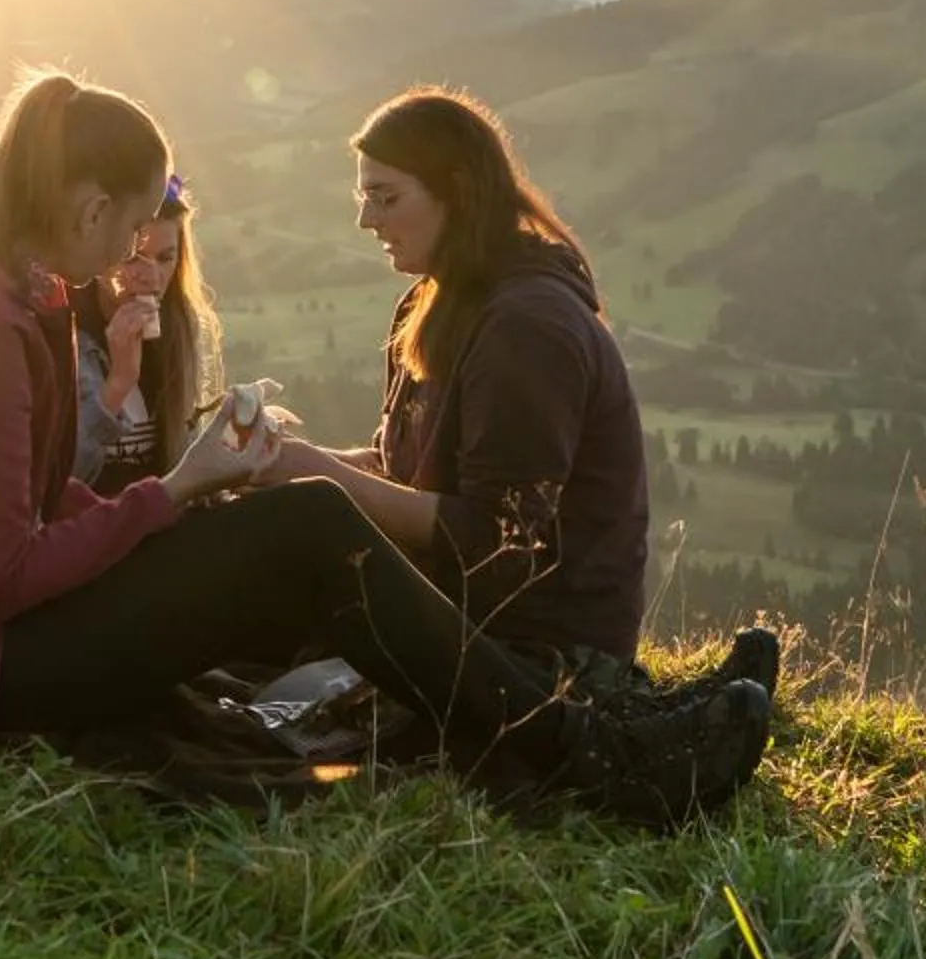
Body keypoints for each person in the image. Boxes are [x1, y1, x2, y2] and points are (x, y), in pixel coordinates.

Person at [0, 72, 771, 826]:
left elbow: (6, 522)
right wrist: (171, 493)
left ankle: (590, 722)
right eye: (129, 231)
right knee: (303, 534)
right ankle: (586, 754)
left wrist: (184, 491)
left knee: (287, 535)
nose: (128, 259)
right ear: (88, 205)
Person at [263, 87, 780, 710]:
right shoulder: (438, 300)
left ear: (456, 191)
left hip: (544, 649)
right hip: (463, 615)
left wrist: (317, 479)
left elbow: (500, 542)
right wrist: (280, 461)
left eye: (385, 197)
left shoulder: (527, 328)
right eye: (362, 196)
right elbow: (401, 471)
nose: (366, 220)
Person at [69, 176, 225, 493]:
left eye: (165, 258)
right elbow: (60, 480)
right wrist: (119, 381)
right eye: (131, 258)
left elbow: (182, 461)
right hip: (99, 531)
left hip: (168, 520)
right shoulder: (65, 334)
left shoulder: (180, 327)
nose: (151, 277)